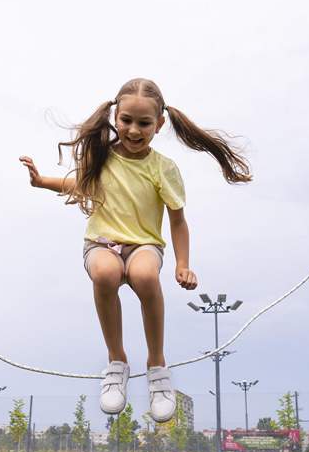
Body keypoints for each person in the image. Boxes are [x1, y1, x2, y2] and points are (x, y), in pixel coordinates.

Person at [20, 78, 251, 423]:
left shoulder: (163, 167)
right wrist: (41, 182)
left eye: (144, 123)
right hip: (102, 243)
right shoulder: (102, 157)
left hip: (144, 244)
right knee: (105, 273)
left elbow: (177, 220)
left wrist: (183, 264)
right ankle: (117, 362)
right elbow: (80, 184)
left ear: (159, 124)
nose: (133, 130)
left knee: (144, 276)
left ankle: (157, 366)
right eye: (126, 120)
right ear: (115, 117)